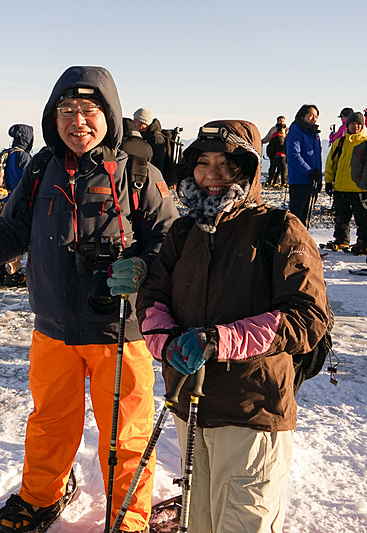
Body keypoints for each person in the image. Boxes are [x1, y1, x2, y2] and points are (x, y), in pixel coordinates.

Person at [0, 65, 179, 533]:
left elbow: (170, 237)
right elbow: (13, 230)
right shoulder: (43, 168)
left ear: (110, 115)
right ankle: (40, 496)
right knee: (50, 423)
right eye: (67, 110)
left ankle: (129, 517)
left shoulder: (141, 174)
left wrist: (145, 267)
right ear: (52, 116)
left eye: (89, 110)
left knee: (125, 433)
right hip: (54, 328)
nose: (77, 120)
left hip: (120, 330)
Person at [136, 119, 328, 533]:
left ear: (249, 169)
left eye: (228, 165)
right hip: (190, 403)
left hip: (252, 409)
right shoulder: (184, 230)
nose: (213, 176)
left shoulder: (280, 228)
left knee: (244, 524)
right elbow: (152, 298)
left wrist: (220, 340)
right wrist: (167, 344)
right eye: (203, 164)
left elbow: (306, 316)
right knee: (201, 522)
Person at [0, 124, 34, 286]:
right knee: (13, 239)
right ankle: (12, 274)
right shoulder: (23, 157)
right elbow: (29, 180)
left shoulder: (5, 154)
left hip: (0, 203)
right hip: (15, 204)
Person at [323, 112, 367, 253]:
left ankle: (363, 243)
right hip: (341, 188)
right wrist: (329, 181)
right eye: (353, 123)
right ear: (348, 125)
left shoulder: (365, 142)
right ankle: (342, 241)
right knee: (341, 218)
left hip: (361, 189)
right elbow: (331, 163)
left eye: (359, 124)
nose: (356, 126)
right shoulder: (340, 142)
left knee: (363, 221)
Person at [285, 104, 322, 226]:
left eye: (316, 116)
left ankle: (303, 240)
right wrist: (309, 172)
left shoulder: (314, 134)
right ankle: (293, 240)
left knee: (306, 215)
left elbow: (317, 157)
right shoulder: (296, 131)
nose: (313, 119)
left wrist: (319, 176)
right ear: (302, 116)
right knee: (297, 215)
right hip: (299, 180)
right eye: (310, 115)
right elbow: (294, 155)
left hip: (312, 181)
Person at [133, 107, 168, 174]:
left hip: (156, 175)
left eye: (135, 121)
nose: (134, 123)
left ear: (143, 122)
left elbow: (158, 161)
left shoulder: (156, 137)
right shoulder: (145, 135)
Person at [266, 123, 288, 187]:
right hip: (281, 155)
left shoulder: (274, 136)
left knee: (278, 169)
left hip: (275, 155)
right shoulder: (279, 137)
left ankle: (274, 182)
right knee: (284, 169)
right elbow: (281, 147)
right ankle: (284, 183)